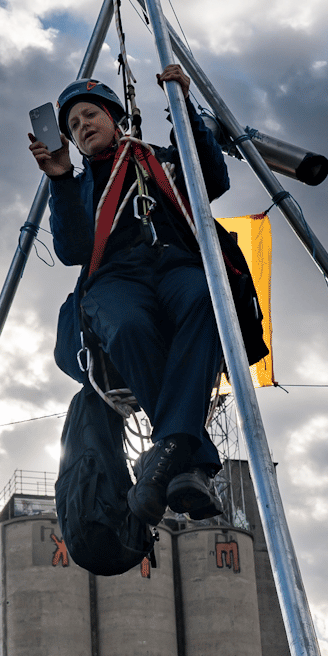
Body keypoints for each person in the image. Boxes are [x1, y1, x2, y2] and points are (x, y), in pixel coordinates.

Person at [30, 66, 231, 525]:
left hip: (175, 262)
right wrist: (60, 178)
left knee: (206, 299)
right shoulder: (79, 186)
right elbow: (72, 250)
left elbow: (211, 180)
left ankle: (164, 459)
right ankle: (187, 458)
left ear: (113, 117)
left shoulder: (159, 159)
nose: (82, 127)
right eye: (74, 127)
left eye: (89, 115)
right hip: (116, 276)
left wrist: (184, 108)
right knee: (127, 324)